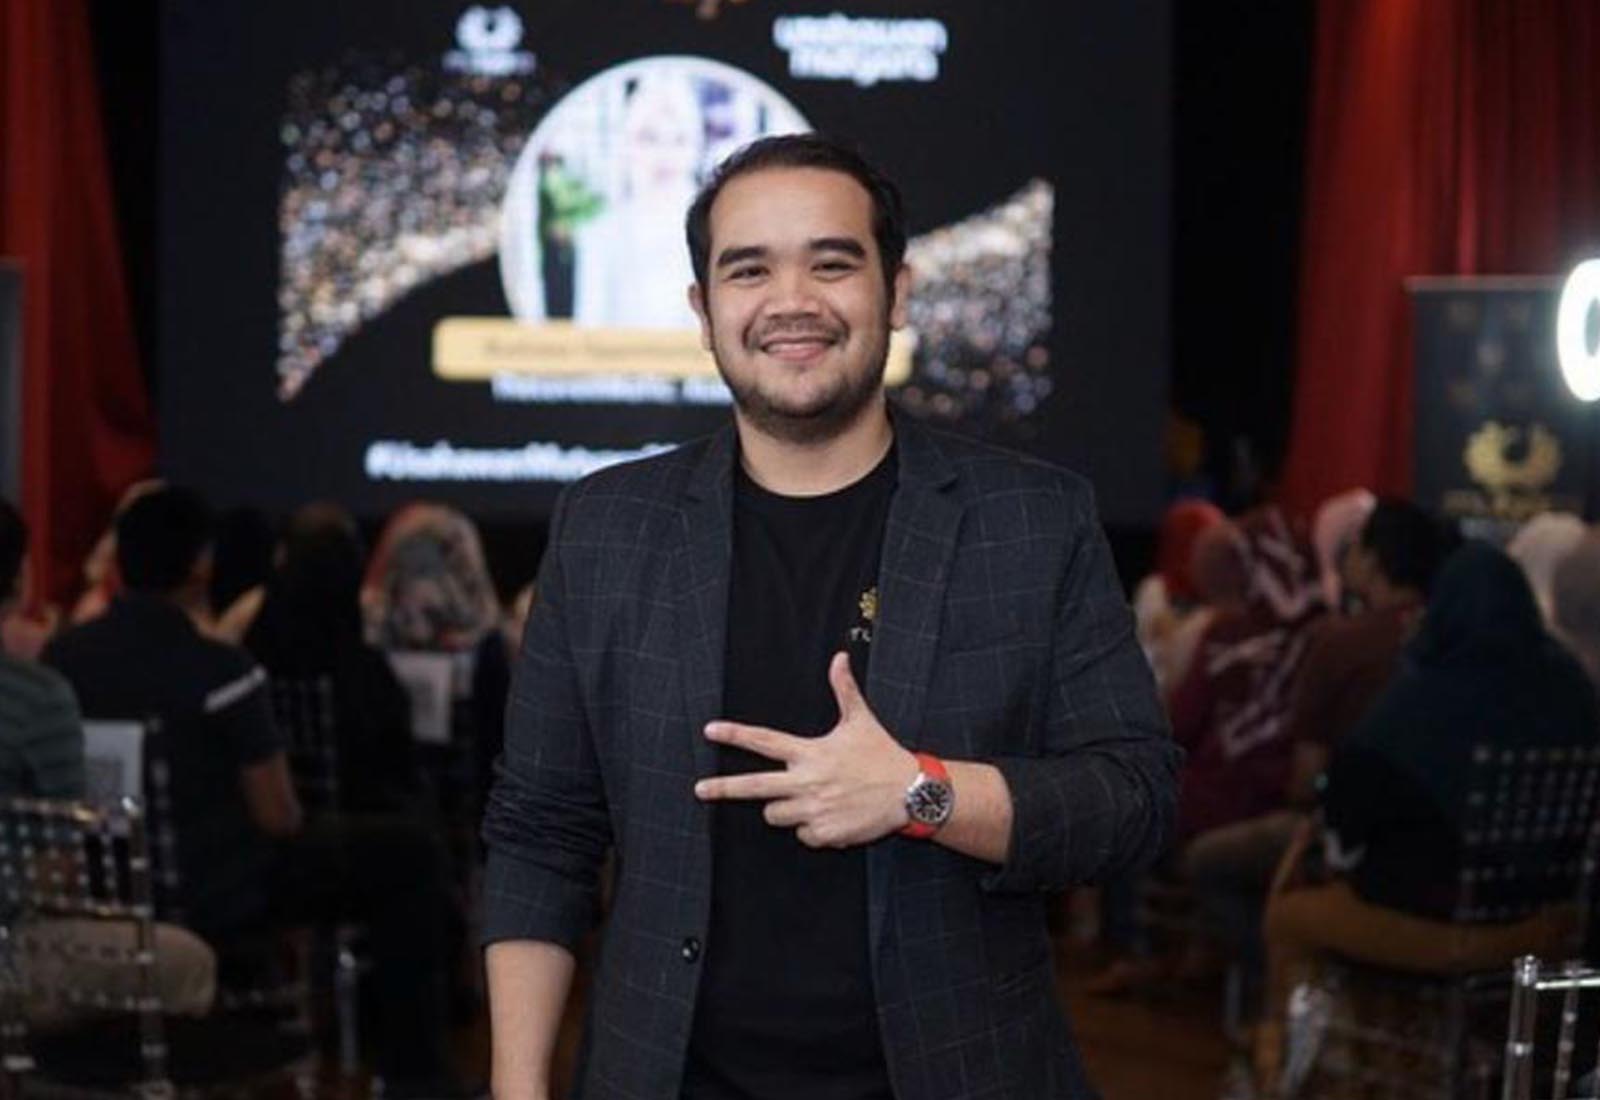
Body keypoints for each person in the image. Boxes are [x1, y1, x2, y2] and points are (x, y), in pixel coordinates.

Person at [482, 134, 1179, 1100]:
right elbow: (539, 832)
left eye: (832, 263)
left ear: (897, 294)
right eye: (749, 270)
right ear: (704, 311)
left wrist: (923, 793)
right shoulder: (605, 527)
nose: (792, 301)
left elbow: (1137, 801)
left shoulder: (1030, 519)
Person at [42, 487, 468, 1097]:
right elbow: (278, 815)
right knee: (412, 853)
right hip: (217, 888)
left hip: (101, 887)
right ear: (200, 564)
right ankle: (417, 1077)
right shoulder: (218, 667)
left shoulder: (63, 660)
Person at [1256, 542, 1600, 1091]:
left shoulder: (1420, 698)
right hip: (1549, 925)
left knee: (1288, 918)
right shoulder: (1574, 690)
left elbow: (1346, 810)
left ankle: (1297, 1073)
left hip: (1440, 932)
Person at [0, 496, 216, 1025]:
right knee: (187, 960)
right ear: (19, 580)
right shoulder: (38, 696)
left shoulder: (65, 659)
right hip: (11, 946)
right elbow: (60, 868)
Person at [245, 503, 424, 814]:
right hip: (362, 827)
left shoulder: (248, 662)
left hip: (268, 825)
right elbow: (398, 770)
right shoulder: (367, 675)